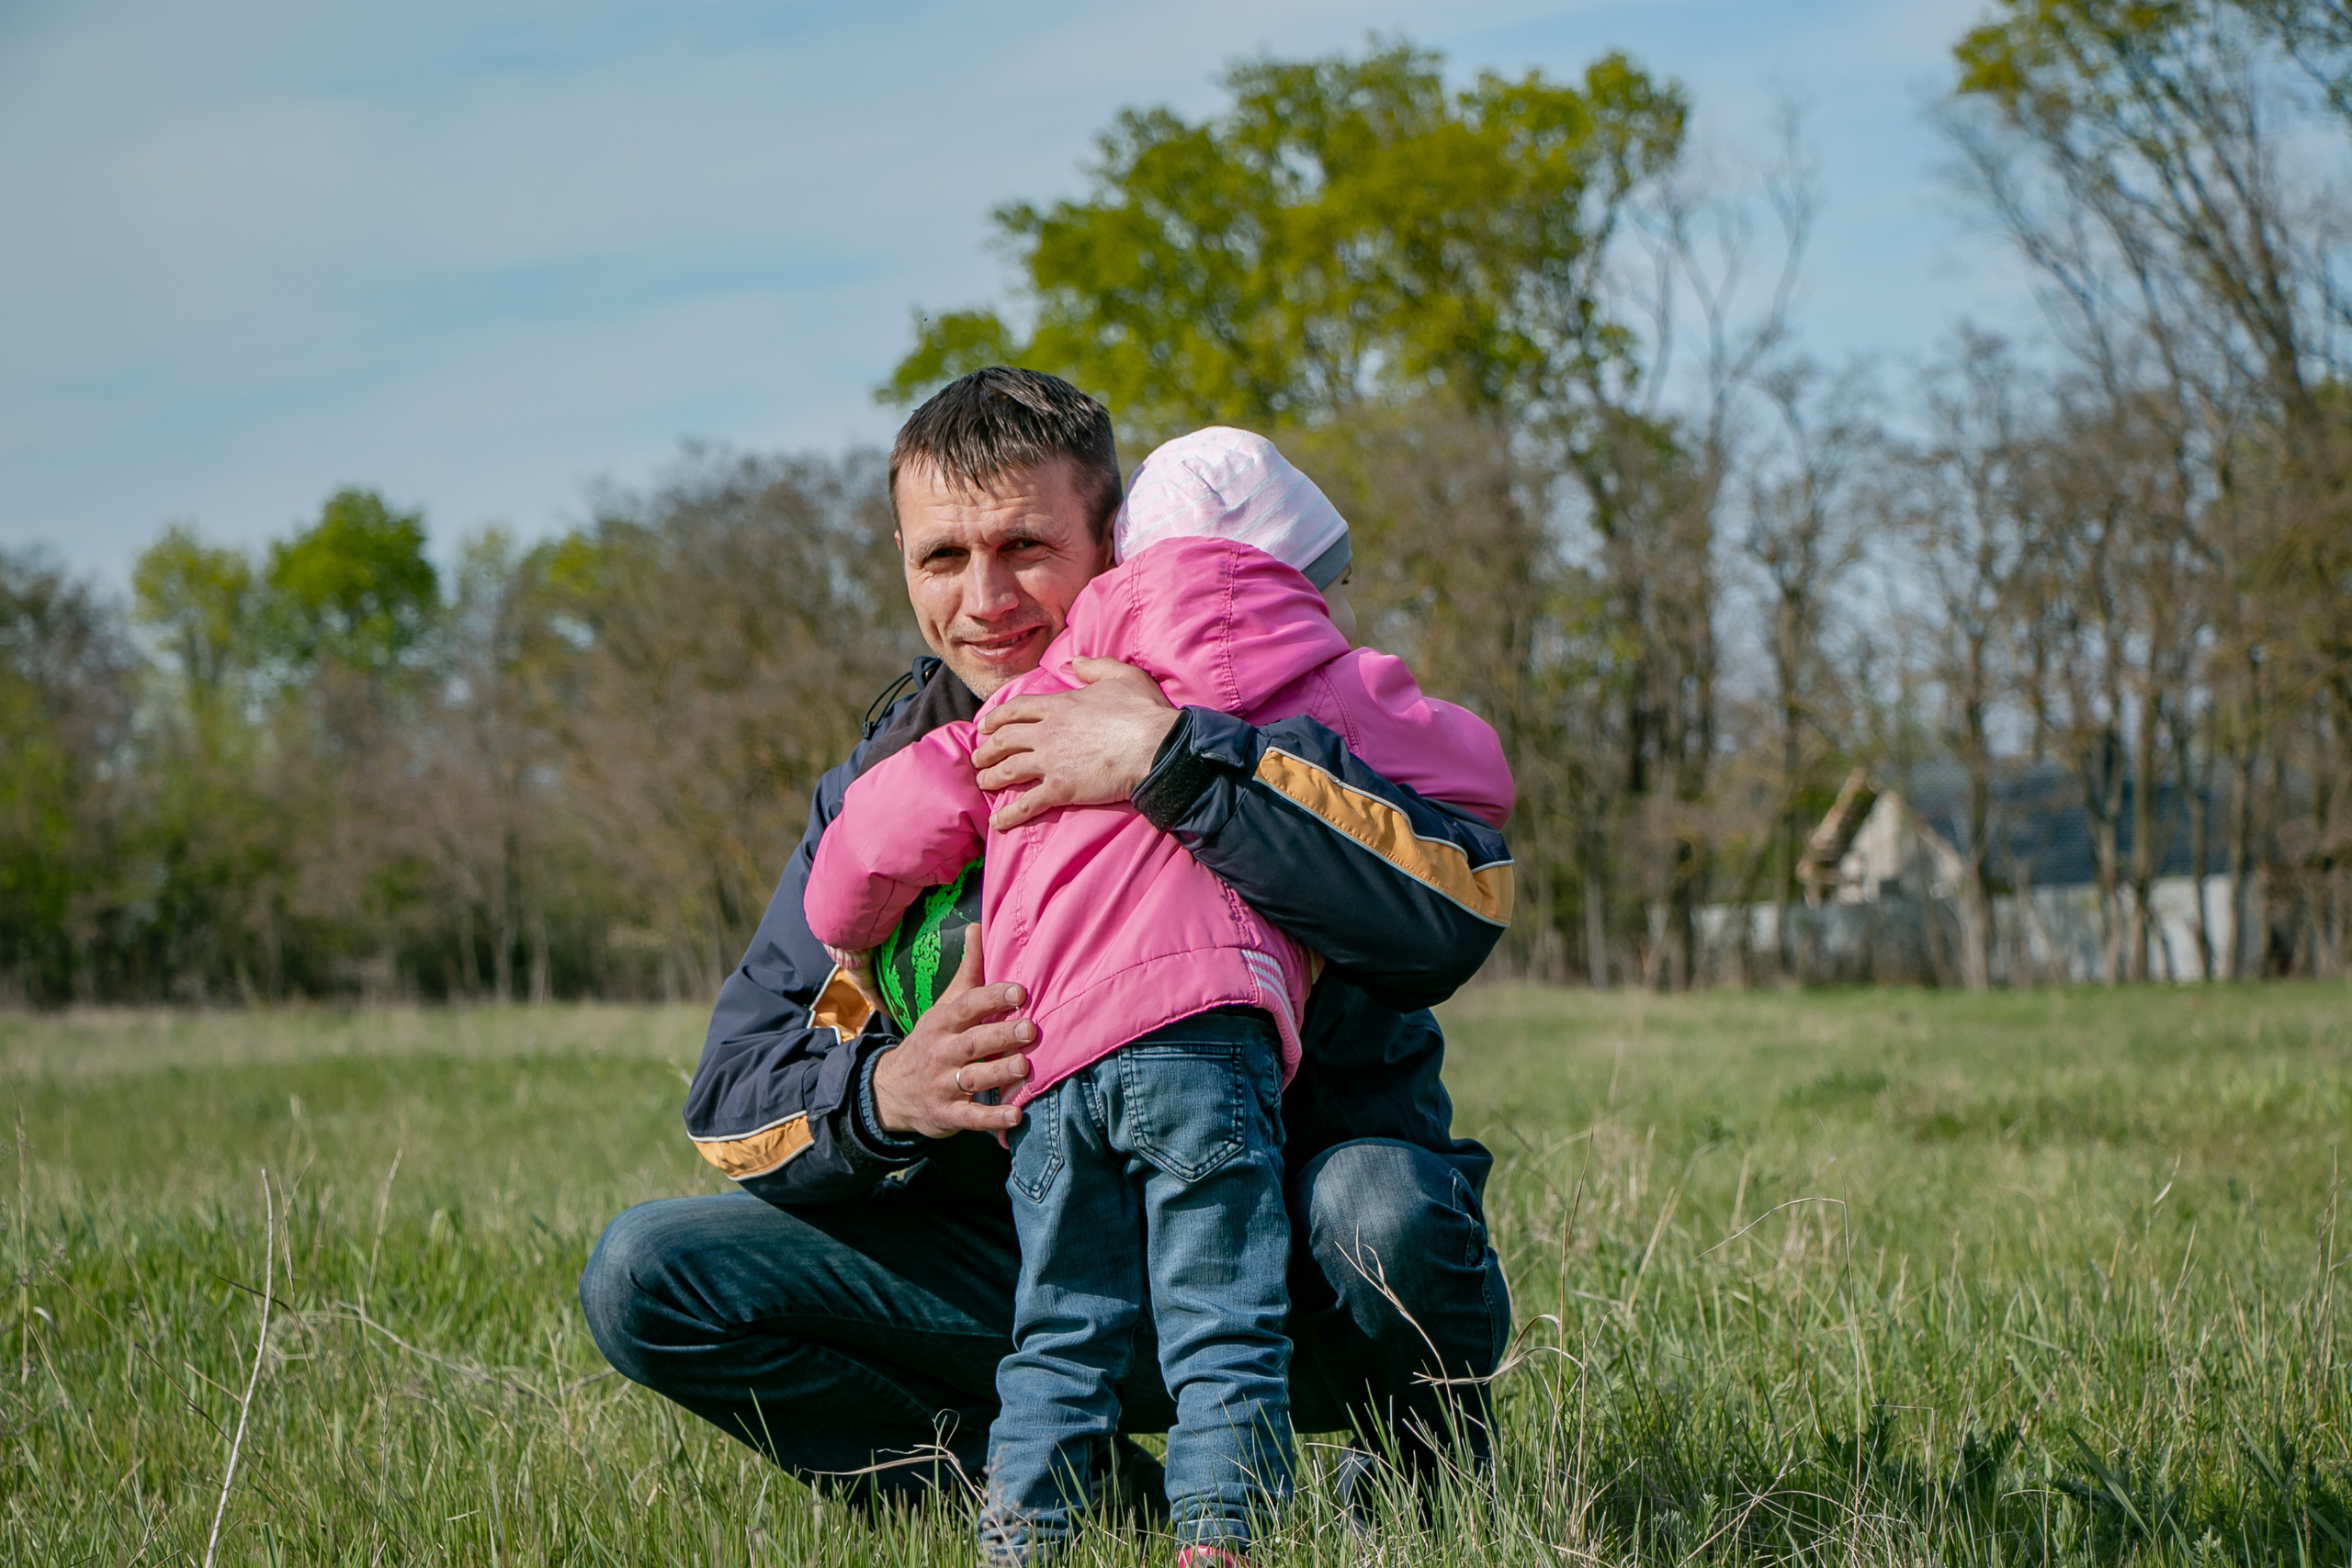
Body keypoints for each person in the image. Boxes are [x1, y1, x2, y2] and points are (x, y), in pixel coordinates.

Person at [577, 368, 1515, 1527]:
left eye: (1024, 544)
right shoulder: (886, 790)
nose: (983, 599)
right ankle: (1083, 1503)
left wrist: (1172, 762)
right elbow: (732, 1093)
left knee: (1390, 1208)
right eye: (940, 557)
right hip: (1031, 1277)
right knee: (648, 1274)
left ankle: (1428, 1481)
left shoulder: (1276, 694)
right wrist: (886, 1096)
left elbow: (1450, 920)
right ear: (900, 561)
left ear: (1114, 539)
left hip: (1283, 1264)